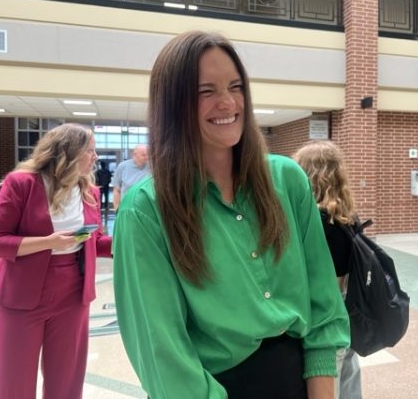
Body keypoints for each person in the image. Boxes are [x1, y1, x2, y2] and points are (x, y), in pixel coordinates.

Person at [112, 30, 349, 399]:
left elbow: (323, 305)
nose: (227, 103)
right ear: (173, 105)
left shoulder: (287, 181)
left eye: (235, 87)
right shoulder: (146, 211)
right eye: (206, 91)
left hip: (299, 382)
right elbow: (163, 355)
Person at [0, 123, 113, 399]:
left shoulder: (90, 192)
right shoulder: (22, 184)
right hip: (21, 293)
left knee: (67, 377)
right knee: (13, 377)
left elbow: (95, 242)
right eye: (90, 150)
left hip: (73, 292)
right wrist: (49, 243)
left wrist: (129, 242)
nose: (95, 157)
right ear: (68, 152)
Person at [293, 140, 363, 399]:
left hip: (321, 308)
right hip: (348, 305)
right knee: (348, 373)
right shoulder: (348, 217)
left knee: (325, 376)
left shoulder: (313, 221)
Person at [111, 144, 150, 211]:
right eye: (143, 155)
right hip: (127, 209)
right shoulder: (123, 166)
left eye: (148, 155)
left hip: (145, 210)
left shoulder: (151, 168)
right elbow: (116, 190)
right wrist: (117, 209)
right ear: (135, 155)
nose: (147, 157)